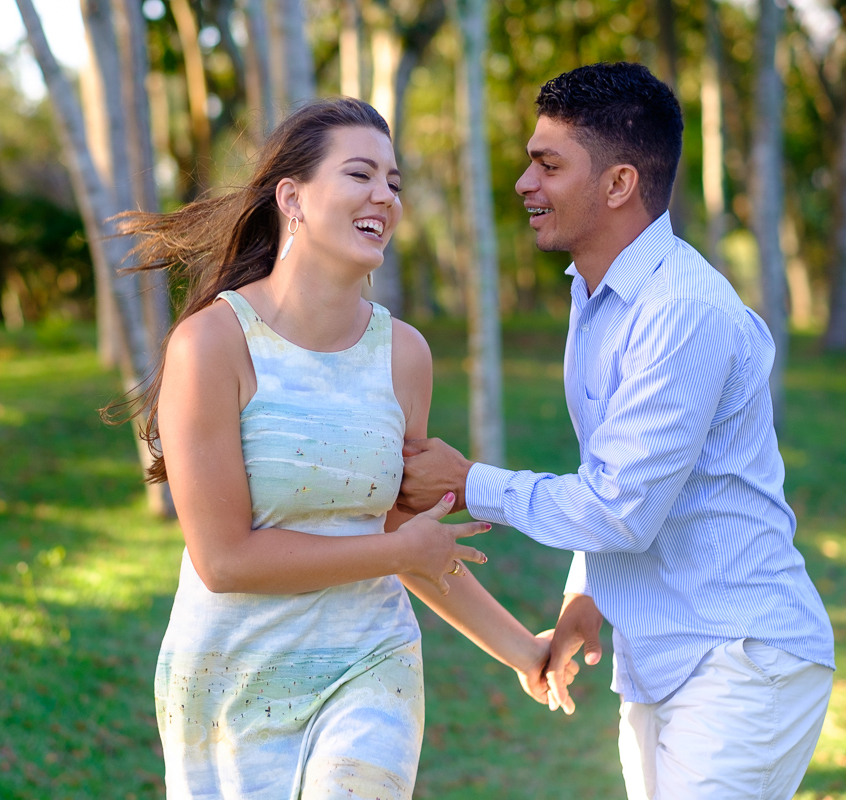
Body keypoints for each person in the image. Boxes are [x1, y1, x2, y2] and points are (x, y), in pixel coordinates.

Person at [397, 63, 835, 799]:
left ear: (619, 183)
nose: (524, 184)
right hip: (662, 657)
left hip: (741, 655)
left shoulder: (682, 311)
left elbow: (621, 509)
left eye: (548, 164)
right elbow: (622, 473)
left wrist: (469, 480)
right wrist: (586, 598)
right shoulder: (598, 298)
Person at [113, 98, 564, 800]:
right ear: (291, 197)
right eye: (360, 174)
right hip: (231, 682)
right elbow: (224, 559)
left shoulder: (403, 355)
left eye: (394, 181)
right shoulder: (213, 344)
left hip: (369, 661)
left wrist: (523, 652)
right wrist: (397, 554)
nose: (384, 195)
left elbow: (398, 528)